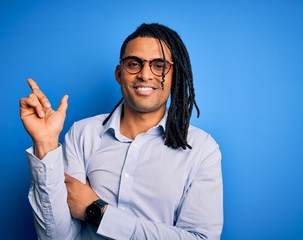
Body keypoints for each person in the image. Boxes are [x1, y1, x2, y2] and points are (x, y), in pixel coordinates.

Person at [20, 23, 223, 240]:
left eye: (159, 65)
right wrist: (45, 144)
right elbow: (58, 237)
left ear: (175, 76)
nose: (145, 75)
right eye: (134, 64)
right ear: (119, 74)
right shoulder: (82, 134)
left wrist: (97, 211)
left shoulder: (202, 150)